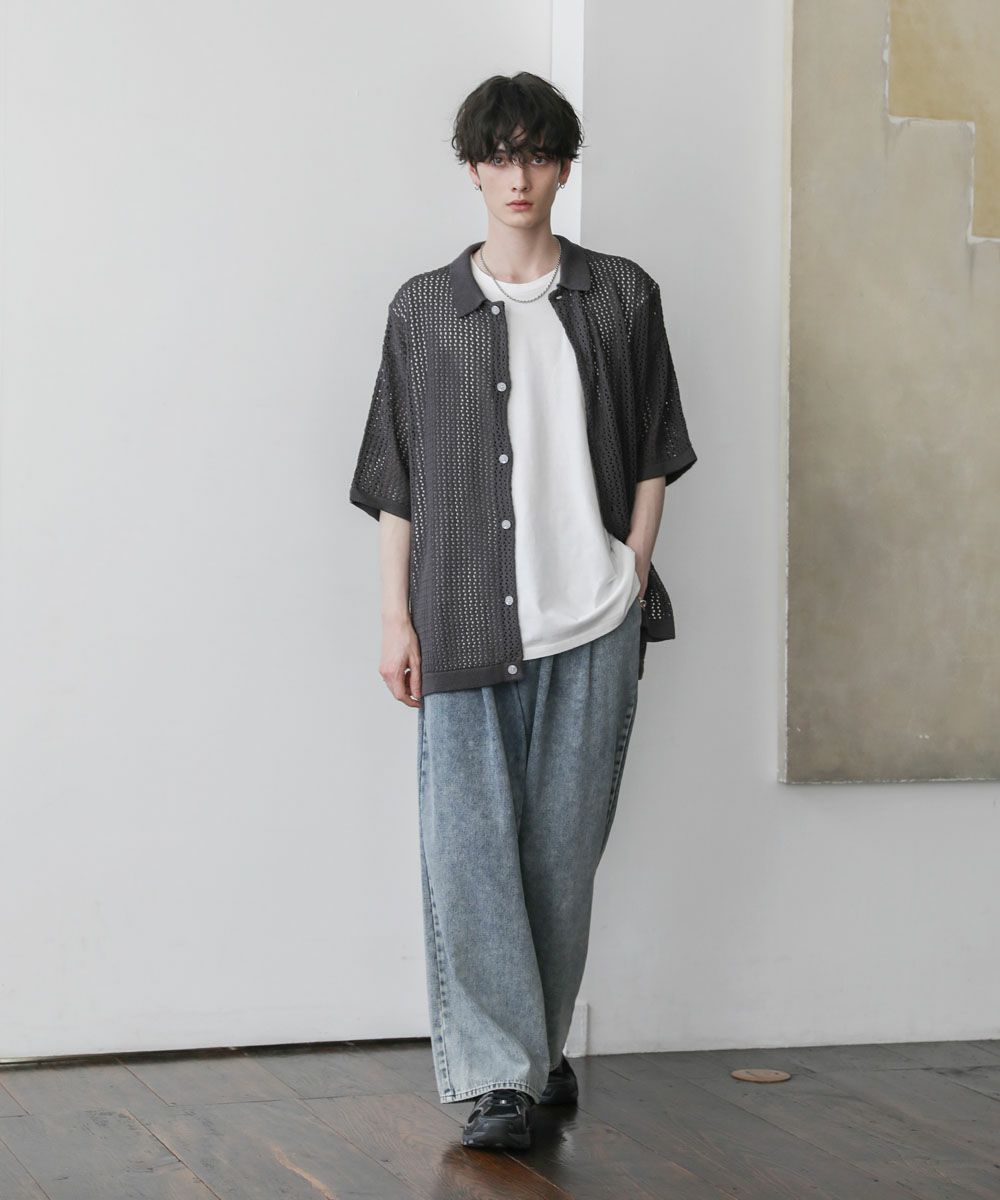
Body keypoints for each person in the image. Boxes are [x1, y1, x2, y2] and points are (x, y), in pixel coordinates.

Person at [349, 71, 697, 1152]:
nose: (518, 176)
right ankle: (504, 1078)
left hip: (592, 620)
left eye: (537, 154)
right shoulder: (424, 309)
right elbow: (396, 476)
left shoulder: (621, 295)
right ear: (471, 168)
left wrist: (633, 567)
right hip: (460, 621)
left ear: (563, 166)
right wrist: (395, 618)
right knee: (469, 857)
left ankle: (534, 1053)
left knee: (558, 856)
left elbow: (656, 444)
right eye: (498, 156)